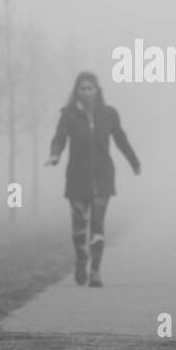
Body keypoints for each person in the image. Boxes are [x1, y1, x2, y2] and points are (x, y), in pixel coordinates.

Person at [46, 71, 140, 287]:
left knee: (97, 225)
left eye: (90, 87)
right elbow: (59, 139)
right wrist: (54, 155)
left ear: (97, 90)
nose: (86, 91)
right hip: (77, 178)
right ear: (76, 92)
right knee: (79, 226)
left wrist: (134, 162)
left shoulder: (108, 114)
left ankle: (95, 272)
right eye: (82, 88)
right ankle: (81, 261)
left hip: (103, 177)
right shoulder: (68, 115)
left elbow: (120, 139)